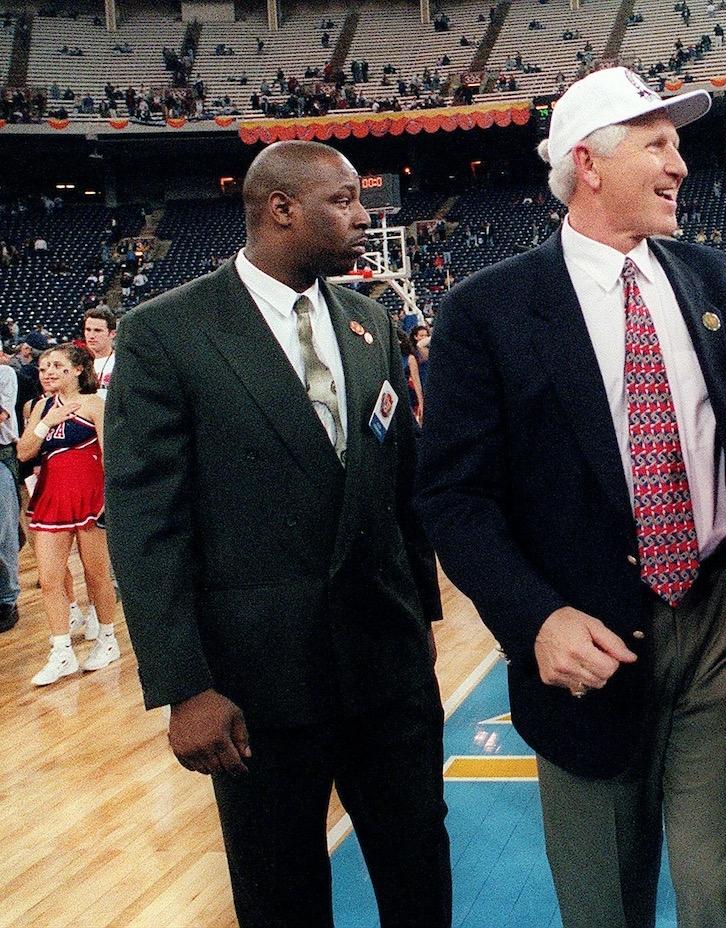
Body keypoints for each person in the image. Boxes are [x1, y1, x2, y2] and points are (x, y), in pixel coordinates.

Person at [417, 67, 726, 928]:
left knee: (718, 891)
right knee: (602, 905)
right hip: (584, 645)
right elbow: (454, 497)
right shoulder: (485, 310)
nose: (680, 163)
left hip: (715, 617)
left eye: (676, 142)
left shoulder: (718, 277)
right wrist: (535, 619)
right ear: (590, 163)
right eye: (657, 143)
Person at [104, 141, 450, 928]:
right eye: (345, 201)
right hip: (257, 687)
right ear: (281, 208)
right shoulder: (166, 331)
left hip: (388, 668)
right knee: (281, 892)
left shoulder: (368, 319)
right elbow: (146, 524)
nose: (365, 216)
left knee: (419, 868)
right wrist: (184, 685)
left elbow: (399, 488)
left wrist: (422, 615)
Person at [18, 345, 119, 684]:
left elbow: (109, 452)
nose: (47, 371)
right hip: (51, 495)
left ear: (77, 370)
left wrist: (109, 497)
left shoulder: (94, 404)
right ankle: (61, 651)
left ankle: (107, 638)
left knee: (96, 574)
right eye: (44, 366)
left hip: (90, 495)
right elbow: (23, 452)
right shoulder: (41, 407)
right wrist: (46, 422)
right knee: (49, 578)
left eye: (56, 365)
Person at [0, 355, 18, 633]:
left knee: (4, 529)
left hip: (2, 454)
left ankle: (7, 599)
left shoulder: (5, 373)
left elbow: (1, 413)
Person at [82, 307, 117, 398]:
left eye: (97, 330)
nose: (91, 336)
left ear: (112, 333)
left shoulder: (122, 362)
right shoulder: (76, 362)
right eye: (88, 330)